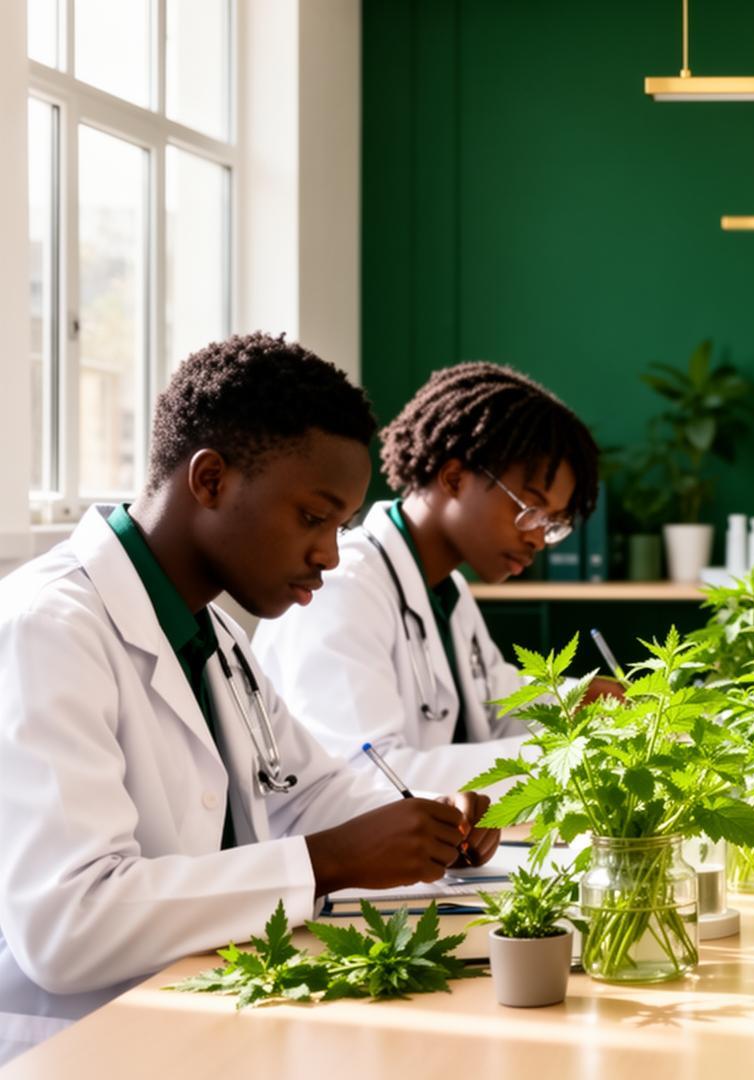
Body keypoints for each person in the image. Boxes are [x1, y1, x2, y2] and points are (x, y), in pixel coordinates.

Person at [0, 334, 499, 1062]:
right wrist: (326, 862)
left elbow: (310, 792)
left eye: (341, 527)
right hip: (84, 1045)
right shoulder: (49, 629)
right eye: (312, 518)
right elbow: (68, 928)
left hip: (208, 1016)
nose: (330, 554)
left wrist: (426, 812)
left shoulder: (213, 634)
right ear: (210, 481)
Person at [255, 362, 611, 795]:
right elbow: (369, 775)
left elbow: (498, 703)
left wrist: (584, 701)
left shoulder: (447, 591)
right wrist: (571, 754)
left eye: (553, 524)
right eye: (530, 509)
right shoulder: (343, 588)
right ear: (454, 477)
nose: (539, 538)